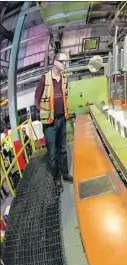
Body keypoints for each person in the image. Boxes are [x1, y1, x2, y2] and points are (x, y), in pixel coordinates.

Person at [34, 52, 73, 190]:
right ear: (55, 62)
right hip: (50, 123)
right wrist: (42, 113)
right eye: (62, 61)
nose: (64, 64)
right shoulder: (45, 79)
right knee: (52, 154)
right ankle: (56, 179)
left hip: (62, 119)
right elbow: (36, 99)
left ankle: (65, 174)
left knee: (63, 150)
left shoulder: (64, 78)